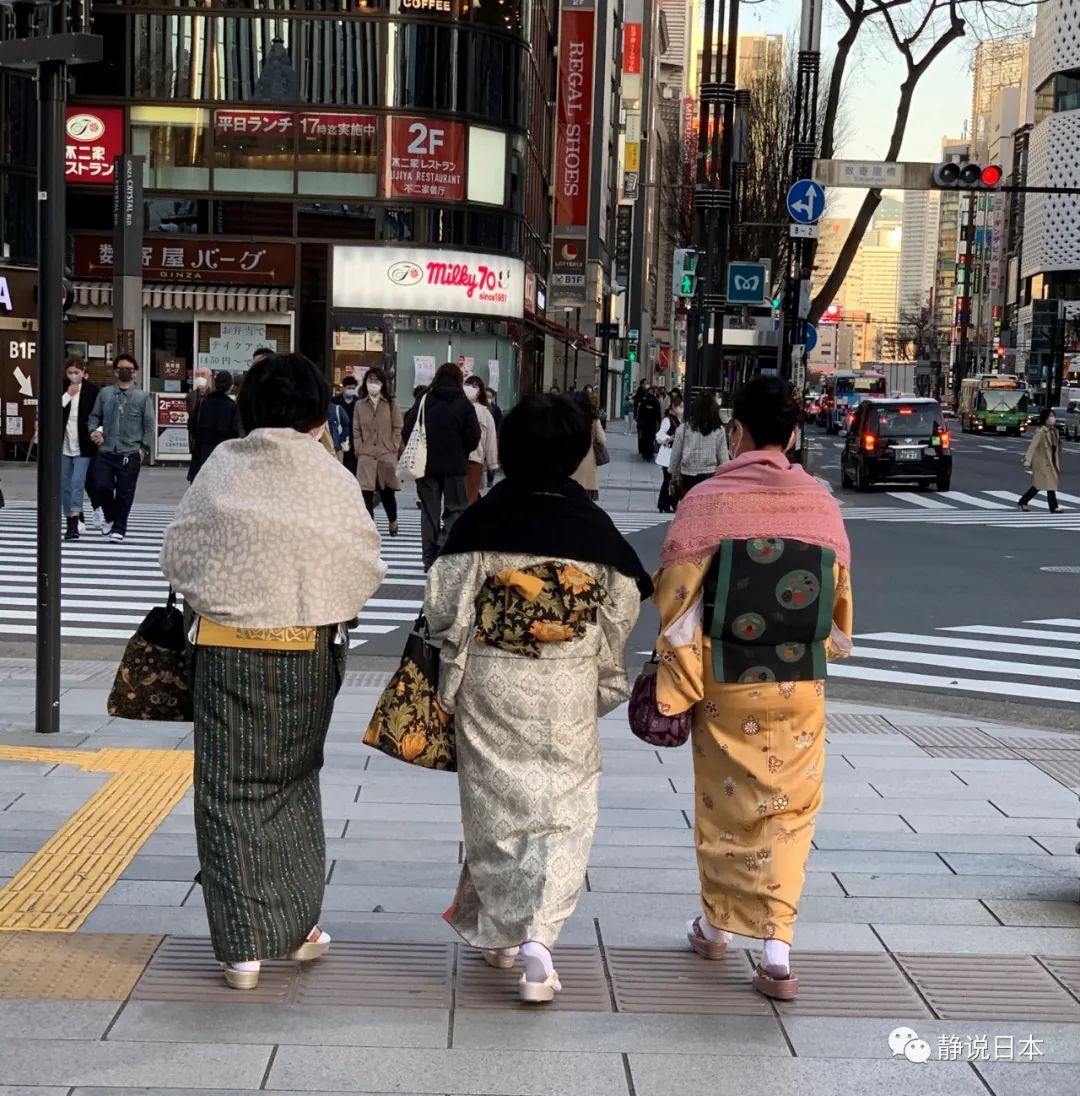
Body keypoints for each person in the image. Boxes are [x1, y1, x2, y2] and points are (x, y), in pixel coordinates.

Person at [161, 353, 385, 992]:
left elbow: (178, 554)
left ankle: (240, 950)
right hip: (306, 649)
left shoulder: (223, 467)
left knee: (226, 788)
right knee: (292, 779)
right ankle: (296, 924)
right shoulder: (330, 474)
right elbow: (365, 562)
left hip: (226, 649)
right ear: (320, 411)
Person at [425, 394, 650, 1003]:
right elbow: (622, 609)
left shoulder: (480, 522)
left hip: (491, 684)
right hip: (567, 684)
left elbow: (443, 607)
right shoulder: (591, 528)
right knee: (563, 808)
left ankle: (502, 932)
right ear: (576, 453)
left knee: (495, 807)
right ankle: (538, 942)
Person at [651, 376, 852, 1002]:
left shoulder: (709, 501)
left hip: (726, 680)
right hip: (797, 678)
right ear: (794, 433)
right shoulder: (819, 502)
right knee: (789, 811)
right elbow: (839, 597)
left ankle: (716, 927)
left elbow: (677, 594)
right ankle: (776, 947)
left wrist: (677, 673)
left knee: (724, 805)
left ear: (737, 431)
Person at [401, 362, 480, 569]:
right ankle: (442, 546)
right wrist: (462, 451)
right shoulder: (464, 403)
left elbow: (407, 429)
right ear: (458, 380)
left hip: (426, 466)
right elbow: (473, 437)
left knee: (429, 512)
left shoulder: (424, 399)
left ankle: (429, 558)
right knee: (456, 510)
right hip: (455, 467)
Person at [86, 354, 155, 543]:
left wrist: (143, 449)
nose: (125, 371)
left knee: (125, 493)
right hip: (106, 450)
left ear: (136, 373)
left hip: (130, 451)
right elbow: (94, 416)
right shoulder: (105, 393)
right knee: (100, 485)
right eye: (121, 368)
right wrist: (94, 431)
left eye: (129, 368)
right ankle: (109, 516)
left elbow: (149, 425)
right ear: (115, 371)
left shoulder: (142, 397)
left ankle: (119, 527)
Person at [354, 365, 403, 536]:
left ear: (382, 384)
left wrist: (393, 446)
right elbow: (356, 430)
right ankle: (370, 528)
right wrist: (359, 449)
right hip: (366, 455)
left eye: (376, 381)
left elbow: (398, 427)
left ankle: (393, 520)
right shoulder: (360, 405)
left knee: (387, 493)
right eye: (369, 381)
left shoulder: (390, 404)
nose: (372, 384)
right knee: (365, 494)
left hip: (385, 454)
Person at [60, 356, 100, 540]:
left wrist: (97, 431)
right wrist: (68, 394)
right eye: (70, 373)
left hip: (84, 443)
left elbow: (99, 415)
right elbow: (52, 410)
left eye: (77, 372)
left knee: (77, 482)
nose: (73, 376)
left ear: (83, 372)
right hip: (63, 442)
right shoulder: (61, 387)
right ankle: (69, 518)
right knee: (65, 484)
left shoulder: (92, 390)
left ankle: (74, 522)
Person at [669, 389, 730, 500]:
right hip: (710, 475)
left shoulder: (684, 428)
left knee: (688, 504)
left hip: (687, 475)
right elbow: (723, 459)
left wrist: (673, 472)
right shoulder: (718, 430)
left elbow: (675, 455)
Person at [188, 371, 242, 481]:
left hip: (202, 449)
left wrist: (198, 437)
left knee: (202, 482)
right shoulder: (232, 407)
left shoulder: (203, 403)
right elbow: (236, 431)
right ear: (230, 386)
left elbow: (191, 424)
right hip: (224, 451)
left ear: (214, 383)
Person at [464, 376, 499, 504]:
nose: (471, 389)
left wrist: (492, 462)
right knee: (460, 496)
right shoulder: (457, 407)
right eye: (468, 385)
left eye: (475, 386)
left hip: (475, 458)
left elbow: (490, 439)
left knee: (470, 496)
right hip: (458, 459)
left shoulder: (484, 412)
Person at [1019, 408, 1062, 512]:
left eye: (1053, 416)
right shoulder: (1041, 432)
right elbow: (1032, 447)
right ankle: (1053, 507)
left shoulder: (1054, 431)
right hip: (1042, 463)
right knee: (1049, 484)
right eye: (1050, 416)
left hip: (1051, 462)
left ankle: (1023, 501)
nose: (1052, 418)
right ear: (1045, 419)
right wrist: (1027, 461)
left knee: (1039, 485)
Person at [570, 392, 608, 501]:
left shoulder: (572, 417)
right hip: (588, 453)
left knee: (574, 481)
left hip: (572, 454)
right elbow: (601, 438)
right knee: (587, 483)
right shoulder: (593, 419)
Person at [655, 392, 684, 513]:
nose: (682, 409)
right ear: (673, 407)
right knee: (668, 481)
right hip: (667, 454)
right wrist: (669, 438)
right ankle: (664, 504)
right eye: (680, 407)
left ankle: (670, 503)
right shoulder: (668, 420)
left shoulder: (678, 420)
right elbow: (659, 435)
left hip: (674, 454)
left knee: (673, 481)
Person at [334, 374, 361, 475]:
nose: (351, 390)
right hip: (339, 436)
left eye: (353, 388)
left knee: (352, 465)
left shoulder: (358, 402)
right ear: (344, 388)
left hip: (353, 437)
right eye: (349, 388)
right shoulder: (335, 401)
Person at [186, 367, 212, 473]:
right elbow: (191, 417)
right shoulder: (191, 396)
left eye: (203, 374)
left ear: (210, 377)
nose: (200, 377)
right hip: (196, 439)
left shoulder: (215, 395)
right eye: (197, 375)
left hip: (211, 439)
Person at [636, 385, 662, 461]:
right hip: (649, 423)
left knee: (647, 438)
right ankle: (649, 453)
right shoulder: (654, 402)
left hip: (647, 423)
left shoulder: (646, 401)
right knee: (650, 439)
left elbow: (640, 413)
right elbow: (658, 414)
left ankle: (647, 453)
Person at [326, 393, 351, 463]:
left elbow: (346, 424)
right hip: (321, 449)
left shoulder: (337, 409)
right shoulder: (318, 411)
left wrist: (340, 439)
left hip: (337, 449)